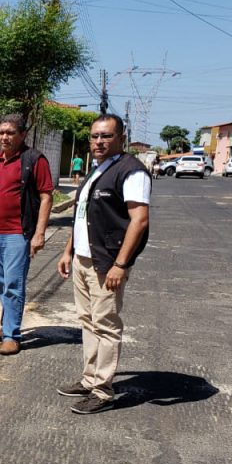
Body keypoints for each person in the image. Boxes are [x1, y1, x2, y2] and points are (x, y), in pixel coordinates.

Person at [56, 113, 151, 414]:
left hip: (107, 263)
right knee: (88, 322)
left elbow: (140, 220)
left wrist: (120, 264)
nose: (99, 141)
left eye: (106, 136)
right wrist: (68, 250)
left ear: (121, 138)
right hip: (84, 259)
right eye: (95, 136)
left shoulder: (131, 171)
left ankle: (102, 390)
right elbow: (82, 216)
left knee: (106, 325)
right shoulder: (96, 170)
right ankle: (89, 379)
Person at [0, 114, 54, 355]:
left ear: (22, 135)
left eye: (10, 133)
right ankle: (5, 325)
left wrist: (40, 233)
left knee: (13, 284)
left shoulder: (34, 160)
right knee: (0, 283)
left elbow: (46, 196)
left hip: (18, 234)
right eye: (1, 133)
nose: (5, 137)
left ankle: (12, 335)